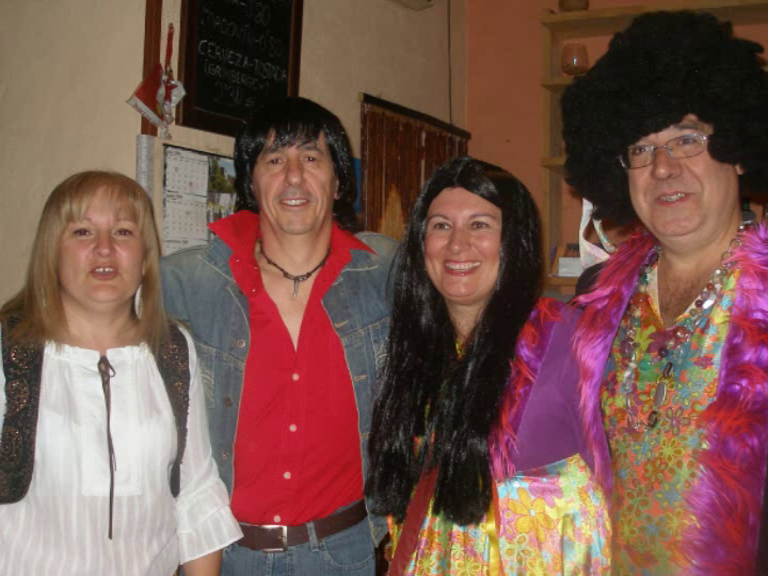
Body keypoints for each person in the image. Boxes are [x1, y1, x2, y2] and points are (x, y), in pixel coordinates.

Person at [561, 10, 768, 574]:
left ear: (738, 149)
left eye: (687, 139)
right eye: (641, 149)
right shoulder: (597, 296)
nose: (662, 167)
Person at [161, 97, 397, 575]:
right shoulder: (187, 281)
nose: (293, 176)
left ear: (337, 181)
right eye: (274, 160)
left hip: (343, 554)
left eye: (310, 157)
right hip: (223, 554)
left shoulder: (383, 274)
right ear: (251, 182)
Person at [366, 156, 611, 575]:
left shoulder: (569, 339)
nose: (457, 244)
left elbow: (620, 480)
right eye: (441, 226)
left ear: (513, 240)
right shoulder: (415, 352)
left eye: (479, 225)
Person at [0, 171, 241, 574]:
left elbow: (196, 493)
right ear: (51, 250)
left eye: (123, 232)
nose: (104, 248)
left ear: (145, 255)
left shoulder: (173, 350)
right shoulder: (11, 351)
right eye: (82, 231)